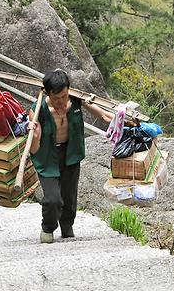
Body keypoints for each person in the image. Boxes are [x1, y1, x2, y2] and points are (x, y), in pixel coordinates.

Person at [27, 69, 113, 243]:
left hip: (70, 154)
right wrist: (35, 135)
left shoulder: (75, 100)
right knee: (53, 199)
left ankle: (67, 228)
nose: (60, 101)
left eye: (64, 96)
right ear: (47, 93)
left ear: (68, 90)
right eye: (56, 97)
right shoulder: (37, 110)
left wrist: (125, 121)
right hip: (47, 157)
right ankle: (48, 228)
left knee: (69, 196)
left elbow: (104, 116)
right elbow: (34, 149)